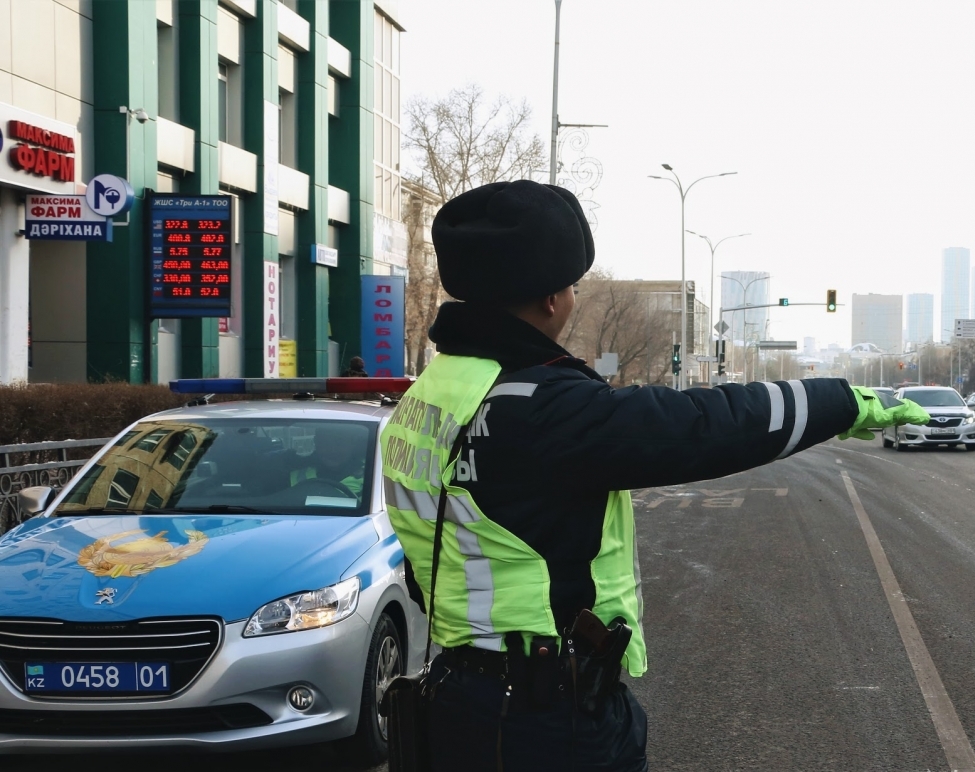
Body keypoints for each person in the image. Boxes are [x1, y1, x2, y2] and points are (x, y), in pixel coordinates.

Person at [380, 180, 928, 771]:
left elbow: (427, 561)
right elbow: (706, 425)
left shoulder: (424, 401)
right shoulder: (544, 406)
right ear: (551, 300)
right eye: (571, 285)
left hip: (458, 695)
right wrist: (842, 402)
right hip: (542, 716)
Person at [290, 423, 367, 498]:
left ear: (352, 444)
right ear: (316, 443)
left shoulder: (373, 475)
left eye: (339, 443)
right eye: (325, 443)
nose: (332, 450)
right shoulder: (295, 476)